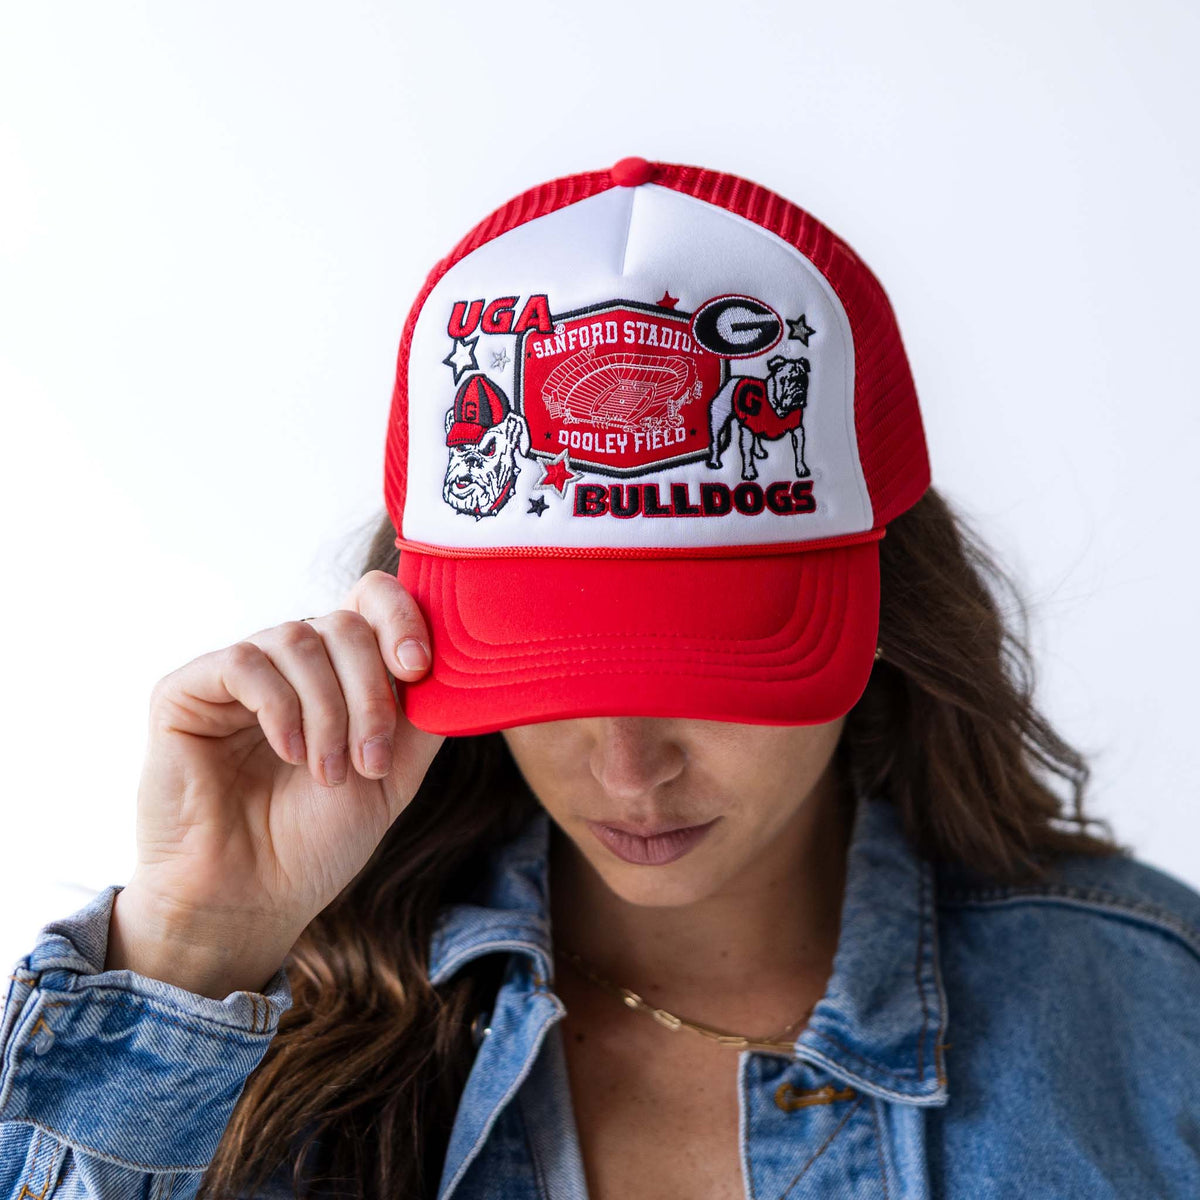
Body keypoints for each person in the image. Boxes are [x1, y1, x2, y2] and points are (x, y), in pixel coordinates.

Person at [2, 158, 1198, 1200]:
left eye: (710, 668)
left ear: (887, 609)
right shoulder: (277, 1042)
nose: (630, 769)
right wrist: (192, 949)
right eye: (549, 675)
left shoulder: (1149, 1014)